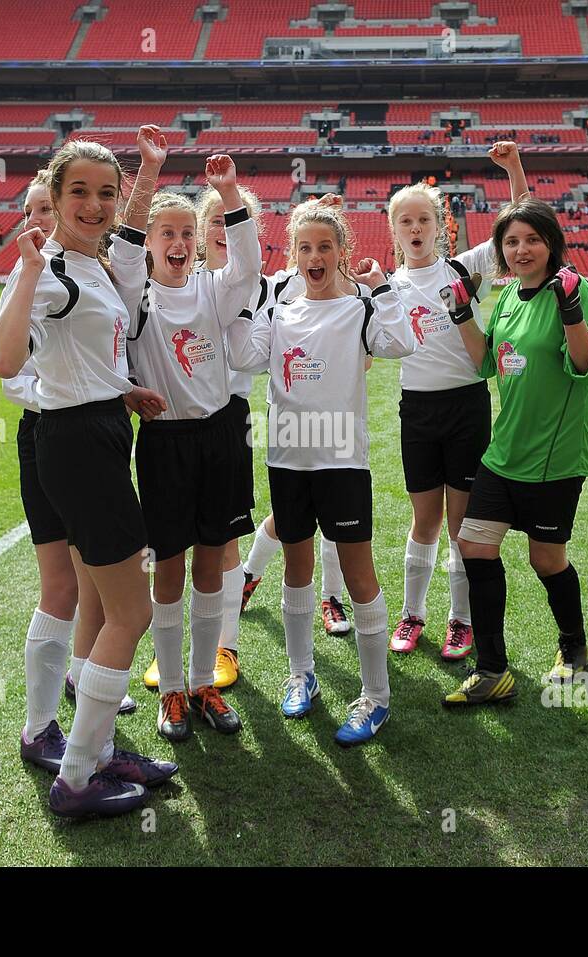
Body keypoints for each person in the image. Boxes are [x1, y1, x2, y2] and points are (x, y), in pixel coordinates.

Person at [0, 129, 176, 819]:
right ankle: (78, 775)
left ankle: (72, 745)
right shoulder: (55, 270)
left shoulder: (94, 264)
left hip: (89, 425)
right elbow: (4, 362)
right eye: (80, 193)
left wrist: (117, 388)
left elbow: (78, 350)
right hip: (77, 442)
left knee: (87, 596)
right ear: (55, 198)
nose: (95, 205)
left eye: (107, 192)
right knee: (132, 609)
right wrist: (31, 271)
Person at [226, 199, 415, 745]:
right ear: (293, 256)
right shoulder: (280, 310)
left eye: (325, 246)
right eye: (304, 247)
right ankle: (300, 675)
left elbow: (399, 342)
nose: (315, 255)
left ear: (342, 253)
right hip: (288, 459)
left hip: (341, 462)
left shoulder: (358, 308)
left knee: (358, 576)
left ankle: (376, 696)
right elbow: (243, 358)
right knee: (297, 570)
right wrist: (248, 302)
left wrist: (382, 289)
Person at [111, 153, 261, 743]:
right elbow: (120, 262)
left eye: (185, 234)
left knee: (211, 561)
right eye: (164, 233)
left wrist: (228, 195)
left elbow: (247, 265)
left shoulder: (212, 290)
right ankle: (171, 689)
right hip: (166, 443)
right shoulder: (135, 297)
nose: (177, 242)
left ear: (198, 242)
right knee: (168, 566)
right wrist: (127, 392)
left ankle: (203, 683)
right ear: (149, 241)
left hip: (219, 437)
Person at [441, 198, 588, 707]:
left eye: (531, 240)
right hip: (503, 454)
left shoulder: (572, 292)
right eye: (510, 242)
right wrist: (462, 313)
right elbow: (486, 362)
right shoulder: (511, 295)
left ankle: (572, 648)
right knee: (474, 546)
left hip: (554, 459)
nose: (521, 250)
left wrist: (573, 310)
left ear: (551, 244)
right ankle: (492, 670)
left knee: (546, 558)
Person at [381, 141, 529, 661]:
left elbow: (519, 219)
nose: (416, 230)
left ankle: (460, 621)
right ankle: (412, 613)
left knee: (462, 524)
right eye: (406, 223)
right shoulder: (386, 286)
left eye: (424, 220)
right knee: (424, 520)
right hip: (416, 410)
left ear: (439, 226)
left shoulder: (464, 271)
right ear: (395, 230)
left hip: (466, 406)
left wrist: (512, 167)